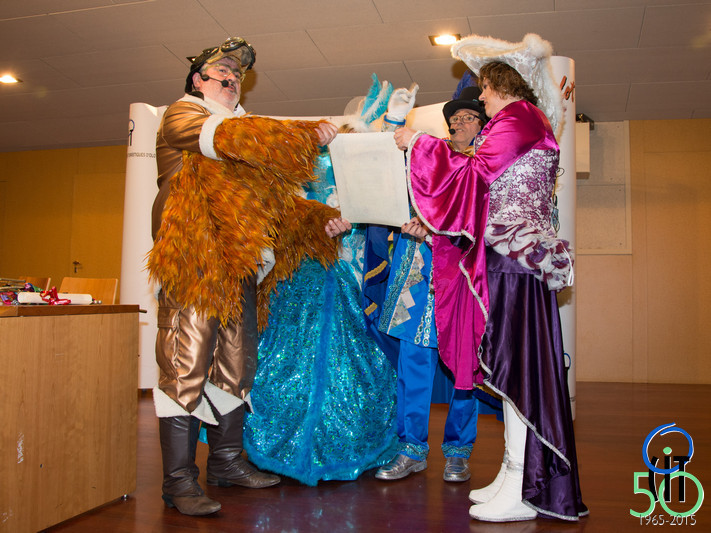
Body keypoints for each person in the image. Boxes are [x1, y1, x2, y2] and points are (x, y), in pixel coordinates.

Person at [392, 33, 587, 522]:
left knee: (516, 369)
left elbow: (472, 176)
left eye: (483, 88)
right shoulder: (521, 120)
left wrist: (419, 144)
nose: (480, 97)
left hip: (514, 263)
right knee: (511, 368)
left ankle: (525, 486)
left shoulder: (520, 117)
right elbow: (481, 192)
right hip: (510, 260)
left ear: (503, 83)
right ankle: (515, 472)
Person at [146, 37, 339, 516]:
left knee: (236, 366)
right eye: (222, 73)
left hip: (241, 269)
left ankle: (226, 462)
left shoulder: (240, 131)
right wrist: (299, 135)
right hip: (195, 263)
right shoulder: (183, 115)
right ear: (198, 80)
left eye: (238, 75)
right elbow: (227, 137)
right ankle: (178, 481)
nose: (233, 79)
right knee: (185, 366)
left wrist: (322, 222)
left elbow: (275, 206)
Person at [370, 88, 486, 483]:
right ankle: (411, 449)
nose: (458, 124)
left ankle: (458, 452)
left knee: (464, 372)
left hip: (464, 282)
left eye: (468, 117)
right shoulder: (427, 158)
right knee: (413, 367)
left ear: (483, 126)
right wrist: (407, 220)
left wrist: (437, 230)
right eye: (454, 119)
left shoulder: (486, 168)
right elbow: (388, 178)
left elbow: (480, 223)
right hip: (417, 280)